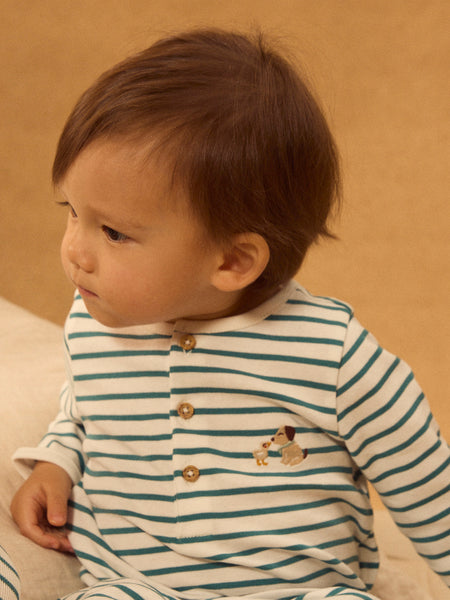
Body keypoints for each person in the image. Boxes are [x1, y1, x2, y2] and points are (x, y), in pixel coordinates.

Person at [10, 29, 450, 600]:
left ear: (233, 261)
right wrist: (56, 463)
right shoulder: (93, 321)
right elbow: (87, 409)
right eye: (72, 210)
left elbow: (426, 483)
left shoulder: (331, 355)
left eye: (113, 232)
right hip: (138, 587)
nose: (75, 250)